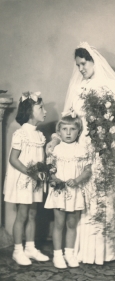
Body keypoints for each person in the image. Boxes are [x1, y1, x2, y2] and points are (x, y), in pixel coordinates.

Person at [46, 42, 115, 265]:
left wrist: (106, 141)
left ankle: (102, 252)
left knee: (101, 196)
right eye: (78, 65)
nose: (81, 69)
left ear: (93, 61)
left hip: (103, 146)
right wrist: (55, 140)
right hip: (79, 147)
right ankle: (75, 251)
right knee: (79, 196)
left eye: (84, 64)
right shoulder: (78, 86)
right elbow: (67, 121)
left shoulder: (111, 83)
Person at [4, 91, 49, 266]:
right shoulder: (20, 134)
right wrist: (31, 172)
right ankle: (17, 250)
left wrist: (43, 171)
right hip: (24, 180)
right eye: (41, 108)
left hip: (35, 181)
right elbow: (13, 159)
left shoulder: (39, 135)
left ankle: (30, 248)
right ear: (30, 111)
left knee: (32, 213)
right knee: (22, 215)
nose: (45, 111)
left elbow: (40, 159)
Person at [44, 112, 92, 269]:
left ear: (78, 131)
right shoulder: (56, 149)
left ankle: (69, 254)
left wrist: (77, 180)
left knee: (72, 223)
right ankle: (58, 255)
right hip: (59, 191)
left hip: (74, 191)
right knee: (59, 223)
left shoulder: (82, 150)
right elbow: (50, 168)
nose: (69, 133)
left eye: (72, 129)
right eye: (65, 129)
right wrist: (54, 177)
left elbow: (87, 170)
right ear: (59, 131)